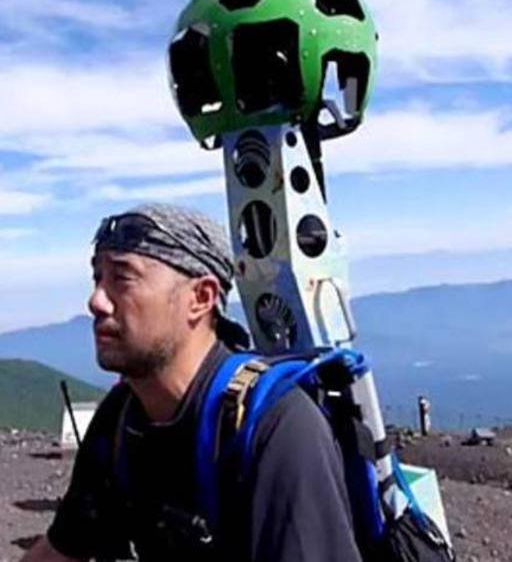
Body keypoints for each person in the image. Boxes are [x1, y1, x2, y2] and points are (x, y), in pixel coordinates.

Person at [22, 203, 361, 561]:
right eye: (98, 279)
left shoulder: (275, 426)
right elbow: (61, 551)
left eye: (122, 278)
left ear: (200, 298)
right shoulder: (121, 419)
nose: (96, 301)